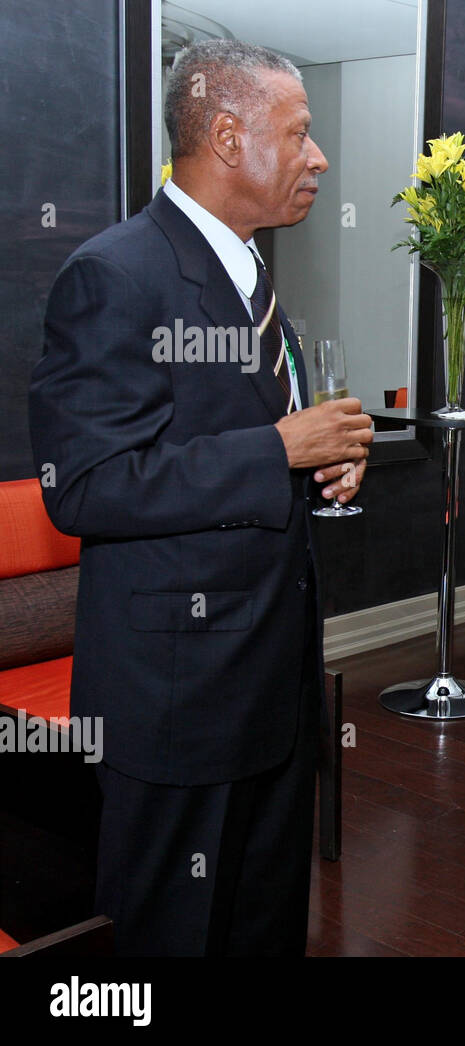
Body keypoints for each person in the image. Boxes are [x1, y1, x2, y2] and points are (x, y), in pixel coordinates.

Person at [28, 39, 371, 955]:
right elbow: (87, 485)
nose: (319, 159)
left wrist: (318, 462)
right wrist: (275, 450)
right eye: (300, 135)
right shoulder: (116, 274)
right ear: (226, 136)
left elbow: (254, 442)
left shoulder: (256, 277)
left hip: (272, 682)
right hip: (177, 696)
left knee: (260, 922)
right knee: (166, 935)